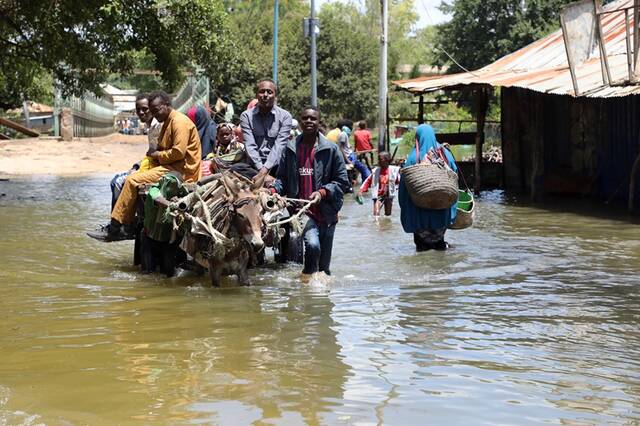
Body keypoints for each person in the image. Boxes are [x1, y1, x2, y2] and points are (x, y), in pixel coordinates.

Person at [88, 91, 202, 242]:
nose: (154, 115)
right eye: (152, 112)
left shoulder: (178, 122)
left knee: (132, 180)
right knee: (131, 176)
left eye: (156, 111)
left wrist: (155, 155)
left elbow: (178, 153)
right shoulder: (168, 121)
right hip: (171, 166)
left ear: (167, 105)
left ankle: (116, 228)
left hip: (181, 171)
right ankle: (126, 224)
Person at [271, 106, 350, 279]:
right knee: (313, 245)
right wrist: (273, 190)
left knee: (324, 268)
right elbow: (282, 178)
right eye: (305, 118)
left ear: (318, 122)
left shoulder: (331, 149)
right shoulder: (290, 149)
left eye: (313, 118)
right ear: (300, 122)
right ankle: (308, 283)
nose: (309, 121)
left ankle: (315, 296)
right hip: (303, 212)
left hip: (328, 211)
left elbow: (342, 181)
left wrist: (322, 192)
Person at [398, 124, 458, 251]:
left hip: (419, 216)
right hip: (441, 215)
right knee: (439, 247)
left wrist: (404, 206)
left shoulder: (413, 158)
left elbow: (404, 188)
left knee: (422, 250)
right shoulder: (445, 155)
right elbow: (454, 181)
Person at [110, 94, 162, 210]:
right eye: (138, 109)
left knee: (117, 182)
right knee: (118, 180)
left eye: (145, 109)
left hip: (158, 169)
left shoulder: (157, 126)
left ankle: (118, 222)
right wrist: (137, 166)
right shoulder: (150, 126)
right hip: (152, 166)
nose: (141, 112)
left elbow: (157, 154)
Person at [240, 79, 292, 184]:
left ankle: (273, 181)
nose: (265, 95)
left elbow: (279, 146)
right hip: (254, 165)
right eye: (262, 91)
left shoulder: (285, 116)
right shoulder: (246, 116)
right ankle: (269, 180)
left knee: (292, 170)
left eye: (269, 92)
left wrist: (264, 170)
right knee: (236, 168)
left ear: (275, 95)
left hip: (277, 166)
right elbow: (250, 145)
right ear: (257, 94)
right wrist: (261, 170)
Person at [358, 151, 400, 216]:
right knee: (376, 214)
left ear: (387, 160)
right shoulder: (376, 171)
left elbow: (400, 182)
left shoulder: (393, 171)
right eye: (378, 159)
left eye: (381, 160)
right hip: (378, 195)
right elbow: (368, 181)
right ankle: (377, 225)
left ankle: (385, 226)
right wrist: (361, 190)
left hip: (389, 195)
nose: (378, 161)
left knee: (388, 215)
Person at [338, 121, 370, 186]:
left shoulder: (344, 134)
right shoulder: (343, 134)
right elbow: (340, 148)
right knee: (364, 169)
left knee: (361, 169)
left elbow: (344, 147)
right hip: (349, 157)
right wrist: (347, 160)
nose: (352, 128)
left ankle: (363, 183)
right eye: (351, 126)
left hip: (350, 156)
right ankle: (366, 184)